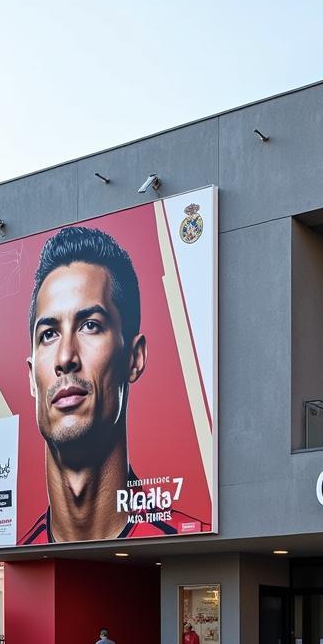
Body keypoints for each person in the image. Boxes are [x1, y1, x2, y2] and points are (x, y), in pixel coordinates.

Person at [21, 225, 200, 544]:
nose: (65, 357)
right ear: (32, 376)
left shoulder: (185, 540)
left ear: (134, 357)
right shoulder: (21, 547)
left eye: (90, 326)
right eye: (49, 334)